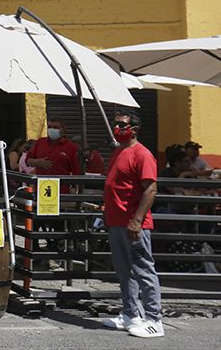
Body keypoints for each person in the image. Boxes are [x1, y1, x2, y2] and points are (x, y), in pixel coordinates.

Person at [101, 109, 163, 338]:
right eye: (116, 124)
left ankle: (154, 319)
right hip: (116, 222)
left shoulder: (142, 154)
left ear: (134, 130)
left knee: (143, 270)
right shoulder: (119, 150)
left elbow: (150, 189)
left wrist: (137, 220)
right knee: (123, 271)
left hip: (133, 224)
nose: (117, 128)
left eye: (122, 125)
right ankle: (130, 314)